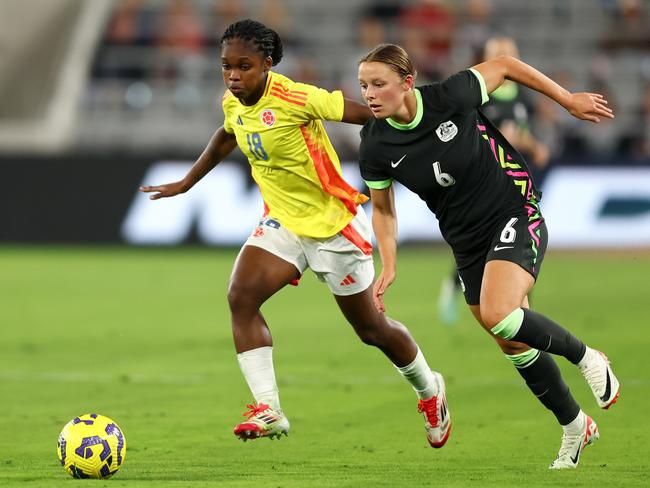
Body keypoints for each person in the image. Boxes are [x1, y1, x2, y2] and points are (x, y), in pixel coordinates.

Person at [140, 20, 451, 448]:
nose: (233, 76)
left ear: (267, 64)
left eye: (244, 66)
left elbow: (368, 115)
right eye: (226, 66)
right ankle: (269, 409)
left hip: (332, 226)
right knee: (240, 296)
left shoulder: (294, 96)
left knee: (371, 329)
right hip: (283, 222)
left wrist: (418, 137)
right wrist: (187, 182)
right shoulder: (234, 101)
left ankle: (429, 390)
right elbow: (226, 135)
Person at [357, 43, 620, 469]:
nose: (369, 94)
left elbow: (507, 66)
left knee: (500, 312)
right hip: (465, 240)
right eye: (363, 85)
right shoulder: (374, 144)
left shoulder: (449, 97)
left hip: (513, 210)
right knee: (510, 338)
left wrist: (568, 99)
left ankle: (588, 357)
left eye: (378, 84)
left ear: (407, 83)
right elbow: (383, 210)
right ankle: (574, 425)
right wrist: (388, 262)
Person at [437, 36, 551, 325]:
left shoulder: (521, 97)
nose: (504, 58)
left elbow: (518, 133)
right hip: (482, 183)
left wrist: (534, 145)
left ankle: (522, 311)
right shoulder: (475, 95)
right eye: (497, 54)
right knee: (485, 243)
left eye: (508, 53)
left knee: (519, 243)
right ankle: (456, 286)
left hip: (513, 181)